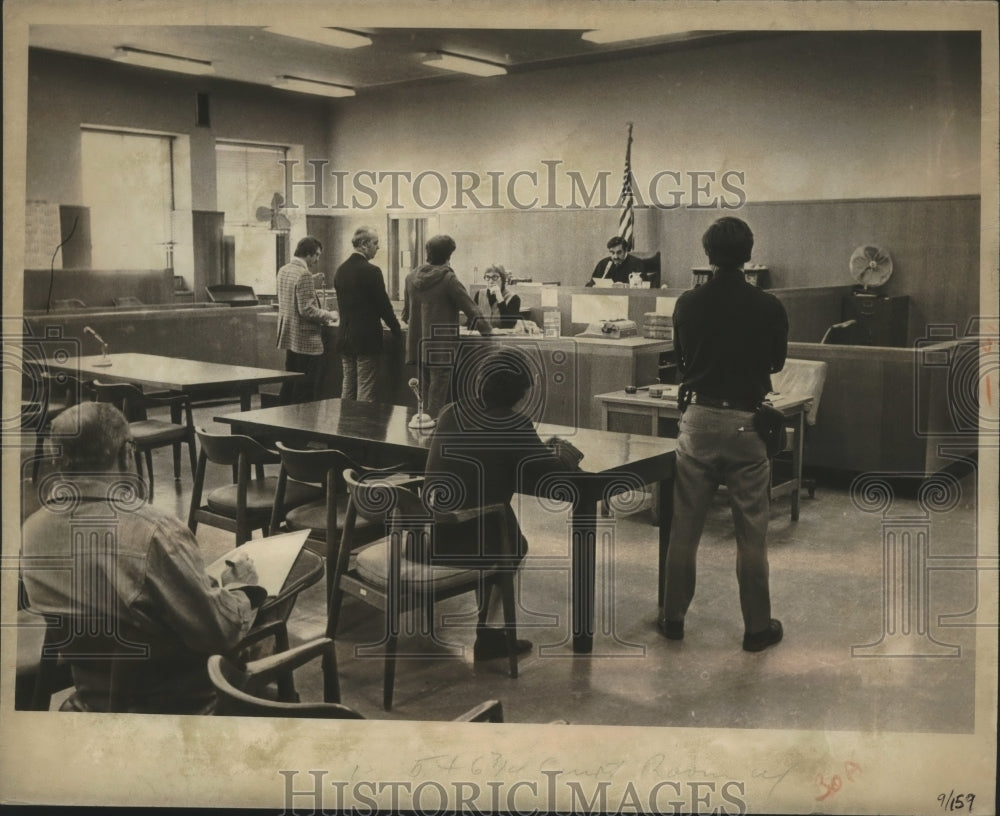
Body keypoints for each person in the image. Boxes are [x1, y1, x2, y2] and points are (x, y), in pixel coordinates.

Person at [20, 402, 265, 713]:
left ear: (59, 458)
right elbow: (218, 634)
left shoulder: (32, 531)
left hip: (93, 696)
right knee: (263, 612)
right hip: (182, 701)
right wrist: (241, 591)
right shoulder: (155, 532)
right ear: (126, 453)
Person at [660, 216, 789, 652]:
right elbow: (775, 364)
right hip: (746, 423)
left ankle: (672, 618)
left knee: (684, 528)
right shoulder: (769, 306)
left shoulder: (686, 303)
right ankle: (756, 628)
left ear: (707, 253)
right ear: (749, 254)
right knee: (751, 532)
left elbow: (680, 359)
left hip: (696, 419)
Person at [423, 346, 583, 660]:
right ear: (521, 394)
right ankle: (490, 635)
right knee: (515, 544)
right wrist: (563, 450)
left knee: (500, 531)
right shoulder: (515, 425)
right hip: (476, 541)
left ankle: (490, 627)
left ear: (481, 381)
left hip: (433, 534)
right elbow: (554, 471)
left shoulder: (451, 411)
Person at [402, 234, 492, 418]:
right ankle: (432, 436)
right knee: (437, 397)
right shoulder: (448, 278)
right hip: (441, 348)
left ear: (428, 253)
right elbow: (472, 311)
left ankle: (422, 433)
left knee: (425, 394)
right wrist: (489, 334)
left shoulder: (410, 277)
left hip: (418, 345)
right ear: (448, 256)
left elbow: (405, 315)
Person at [333, 226, 402, 401]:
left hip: (345, 337)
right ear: (364, 245)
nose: (378, 247)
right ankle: (361, 428)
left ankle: (345, 426)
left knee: (348, 386)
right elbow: (384, 306)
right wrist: (396, 329)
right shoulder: (372, 271)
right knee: (365, 388)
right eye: (375, 243)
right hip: (366, 339)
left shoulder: (340, 270)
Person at [276, 236, 338, 404]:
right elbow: (307, 310)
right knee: (305, 388)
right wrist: (329, 314)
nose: (317, 260)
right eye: (317, 255)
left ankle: (283, 423)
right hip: (306, 340)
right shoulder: (304, 274)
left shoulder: (283, 270)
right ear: (308, 254)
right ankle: (301, 425)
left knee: (289, 384)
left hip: (290, 337)